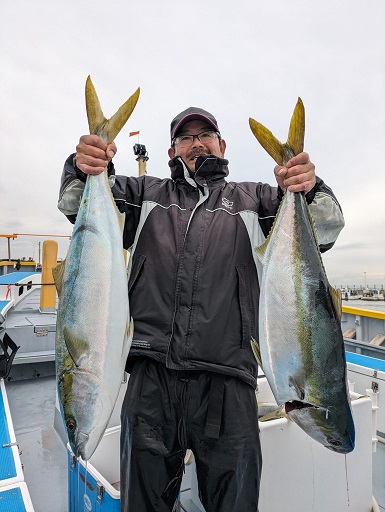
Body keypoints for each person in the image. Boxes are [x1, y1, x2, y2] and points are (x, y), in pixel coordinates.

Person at [58, 106, 345, 512]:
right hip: (151, 380)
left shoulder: (258, 199)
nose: (196, 143)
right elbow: (75, 204)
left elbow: (325, 228)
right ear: (172, 151)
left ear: (222, 144)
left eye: (204, 135)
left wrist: (307, 186)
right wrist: (84, 164)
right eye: (185, 137)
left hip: (228, 383)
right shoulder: (145, 196)